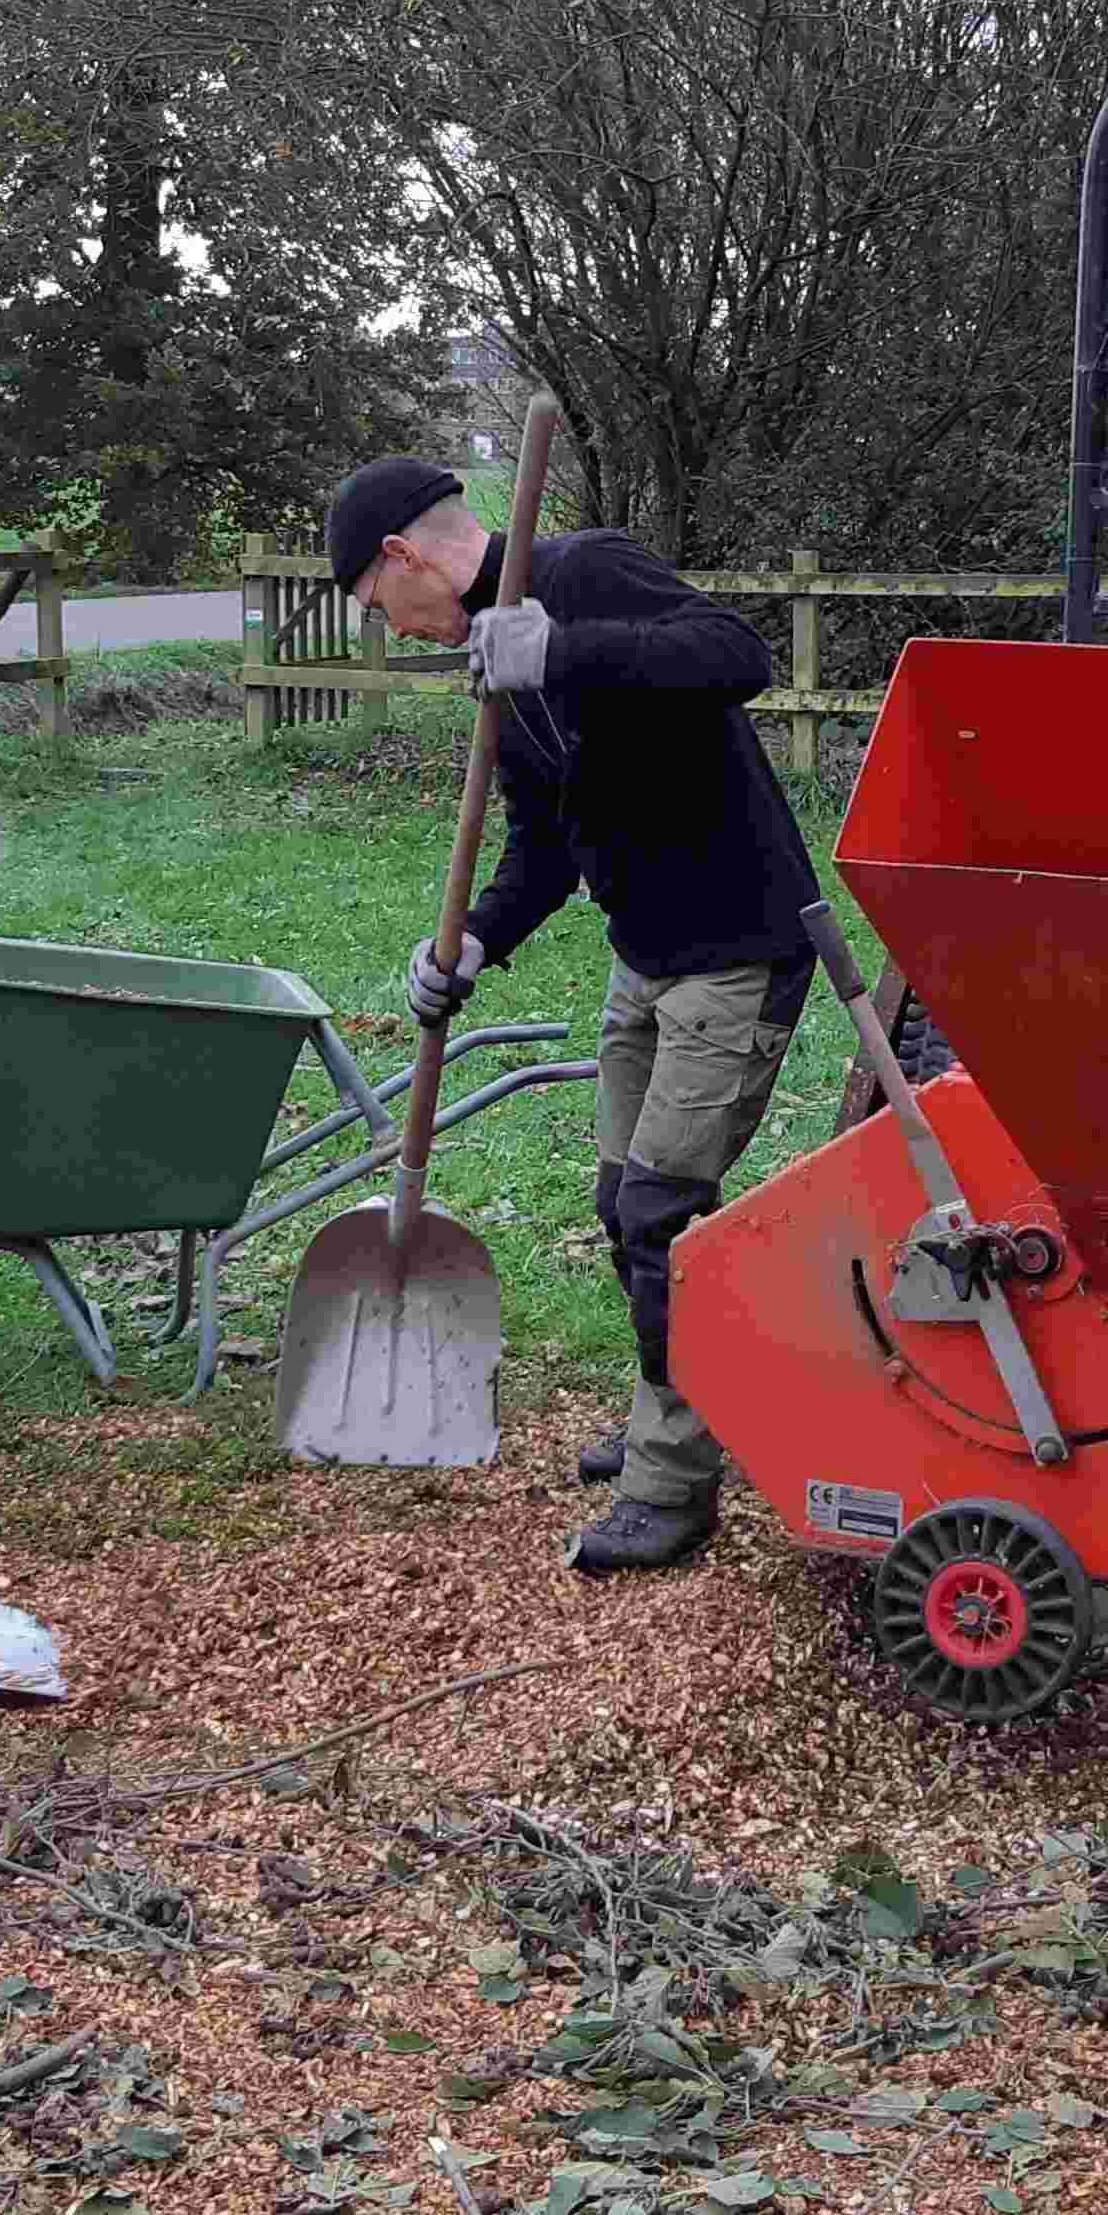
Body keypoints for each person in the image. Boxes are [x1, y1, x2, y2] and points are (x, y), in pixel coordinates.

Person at [325, 456, 817, 1575]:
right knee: (623, 1207)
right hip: (641, 961)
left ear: (405, 558)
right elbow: (542, 845)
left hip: (738, 954)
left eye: (371, 602)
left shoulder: (583, 575)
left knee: (662, 1219)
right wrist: (476, 942)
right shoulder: (497, 672)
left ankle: (672, 1484)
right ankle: (672, 1409)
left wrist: (561, 646)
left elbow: (736, 656)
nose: (384, 627)